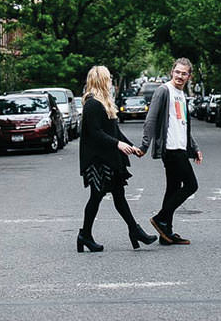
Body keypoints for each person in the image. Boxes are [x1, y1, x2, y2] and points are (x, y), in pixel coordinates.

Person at [76, 65, 156, 252]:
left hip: (109, 158)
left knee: (118, 195)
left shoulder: (105, 103)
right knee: (96, 196)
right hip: (97, 160)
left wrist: (131, 147)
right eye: (109, 78)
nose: (111, 81)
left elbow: (114, 131)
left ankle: (134, 230)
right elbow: (95, 133)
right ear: (101, 80)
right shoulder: (92, 103)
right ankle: (85, 235)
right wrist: (117, 144)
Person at [139, 56, 203, 244]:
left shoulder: (181, 95)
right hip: (171, 148)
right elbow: (151, 119)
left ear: (189, 77)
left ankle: (166, 233)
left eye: (184, 74)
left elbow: (183, 125)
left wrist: (194, 147)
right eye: (177, 72)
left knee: (173, 188)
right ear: (171, 72)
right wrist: (144, 145)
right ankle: (160, 218)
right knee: (191, 185)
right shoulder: (163, 91)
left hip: (181, 147)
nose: (180, 76)